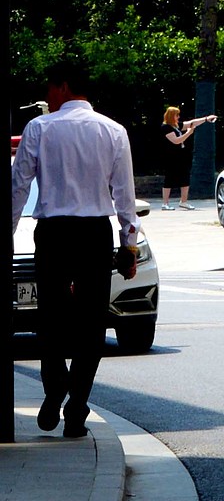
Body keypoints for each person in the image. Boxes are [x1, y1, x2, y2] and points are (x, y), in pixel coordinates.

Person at [9, 59, 142, 438]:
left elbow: (19, 187)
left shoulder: (39, 129)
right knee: (91, 325)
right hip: (94, 234)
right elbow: (125, 196)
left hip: (53, 233)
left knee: (48, 318)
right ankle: (78, 406)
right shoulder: (113, 131)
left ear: (63, 87)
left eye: (50, 90)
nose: (47, 99)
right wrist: (128, 245)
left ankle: (54, 389)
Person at [161, 105, 217, 210]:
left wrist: (206, 119)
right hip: (170, 157)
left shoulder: (176, 126)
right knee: (169, 178)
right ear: (171, 116)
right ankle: (165, 203)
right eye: (176, 115)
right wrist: (189, 133)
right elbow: (176, 141)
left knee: (185, 177)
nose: (178, 117)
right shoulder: (165, 127)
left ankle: (184, 201)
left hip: (181, 156)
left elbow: (192, 123)